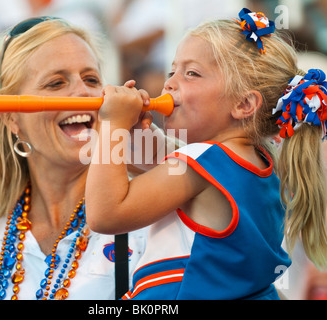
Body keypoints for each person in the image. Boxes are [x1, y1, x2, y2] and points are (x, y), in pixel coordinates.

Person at [85, 8, 327, 299]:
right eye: (172, 70)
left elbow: (106, 214)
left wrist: (112, 124)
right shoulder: (258, 161)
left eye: (192, 73)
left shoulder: (203, 162)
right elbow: (154, 161)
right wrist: (131, 129)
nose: (170, 82)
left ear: (244, 104)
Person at [0, 16, 160, 300]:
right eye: (56, 83)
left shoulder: (152, 220)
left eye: (91, 79)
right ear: (12, 119)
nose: (82, 92)